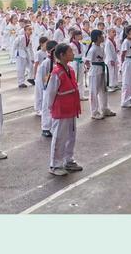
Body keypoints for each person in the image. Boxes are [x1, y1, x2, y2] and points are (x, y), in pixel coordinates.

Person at [46, 43, 83, 176]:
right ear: (62, 55)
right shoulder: (56, 73)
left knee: (71, 136)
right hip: (61, 110)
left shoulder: (70, 69)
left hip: (71, 108)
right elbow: (50, 94)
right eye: (70, 52)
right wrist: (51, 109)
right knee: (59, 137)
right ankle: (55, 165)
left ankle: (68, 160)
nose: (72, 53)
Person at [85, 29, 116, 120]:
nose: (103, 37)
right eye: (102, 36)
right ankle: (94, 112)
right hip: (94, 71)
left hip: (101, 69)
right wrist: (89, 69)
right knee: (94, 92)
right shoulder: (93, 49)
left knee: (104, 90)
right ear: (98, 38)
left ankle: (105, 108)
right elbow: (87, 61)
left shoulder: (101, 47)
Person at [39, 40, 58, 138]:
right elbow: (42, 78)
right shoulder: (46, 63)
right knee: (47, 107)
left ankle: (53, 126)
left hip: (56, 88)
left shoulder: (57, 61)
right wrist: (44, 88)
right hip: (48, 88)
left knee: (54, 107)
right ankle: (45, 127)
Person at [69, 29, 88, 101]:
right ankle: (73, 95)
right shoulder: (71, 45)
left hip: (80, 62)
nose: (81, 36)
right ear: (75, 36)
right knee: (74, 79)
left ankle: (81, 95)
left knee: (81, 79)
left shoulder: (81, 44)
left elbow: (82, 54)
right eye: (80, 35)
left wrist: (84, 61)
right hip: (74, 62)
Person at [14, 24, 35, 88]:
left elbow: (31, 49)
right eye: (29, 29)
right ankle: (21, 82)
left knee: (31, 65)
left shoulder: (30, 38)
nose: (31, 31)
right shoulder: (21, 37)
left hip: (25, 53)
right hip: (19, 53)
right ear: (25, 31)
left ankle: (31, 78)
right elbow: (14, 45)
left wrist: (32, 57)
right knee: (21, 68)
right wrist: (14, 55)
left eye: (31, 29)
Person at [33, 36, 49, 116]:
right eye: (46, 43)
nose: (47, 45)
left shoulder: (47, 52)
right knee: (39, 92)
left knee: (44, 91)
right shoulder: (38, 53)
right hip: (39, 74)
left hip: (45, 74)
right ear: (41, 44)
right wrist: (34, 75)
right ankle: (38, 109)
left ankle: (43, 108)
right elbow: (36, 65)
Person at [104, 27, 119, 92]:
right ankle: (110, 85)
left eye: (115, 32)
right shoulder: (108, 42)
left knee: (115, 72)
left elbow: (114, 50)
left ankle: (115, 84)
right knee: (111, 73)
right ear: (109, 33)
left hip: (114, 58)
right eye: (113, 32)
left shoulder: (113, 41)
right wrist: (111, 60)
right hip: (110, 60)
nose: (115, 33)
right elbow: (108, 52)